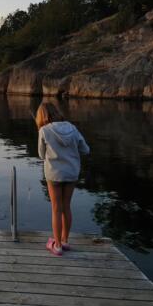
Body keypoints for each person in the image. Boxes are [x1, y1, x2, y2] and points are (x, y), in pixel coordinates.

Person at [36, 102, 90, 256]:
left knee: (56, 208)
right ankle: (65, 241)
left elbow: (41, 155)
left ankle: (57, 245)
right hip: (72, 173)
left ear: (42, 116)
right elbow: (85, 150)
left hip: (54, 174)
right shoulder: (72, 128)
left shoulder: (44, 131)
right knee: (66, 206)